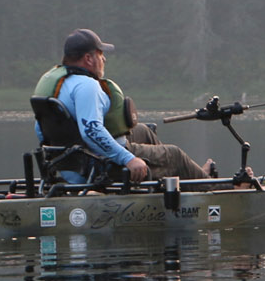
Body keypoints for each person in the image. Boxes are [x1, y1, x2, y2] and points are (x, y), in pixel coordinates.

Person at [35, 29, 215, 183]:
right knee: (175, 156)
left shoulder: (53, 81)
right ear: (88, 58)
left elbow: (40, 129)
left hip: (70, 162)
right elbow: (91, 131)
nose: (104, 59)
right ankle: (217, 188)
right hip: (96, 163)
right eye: (100, 54)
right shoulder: (86, 86)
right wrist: (128, 159)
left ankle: (192, 178)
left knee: (143, 131)